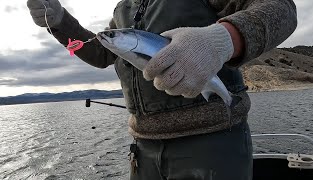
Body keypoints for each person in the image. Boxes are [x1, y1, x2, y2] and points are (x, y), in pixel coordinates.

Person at [27, 0, 297, 179]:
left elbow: (281, 9)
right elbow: (99, 51)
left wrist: (223, 38)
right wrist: (61, 22)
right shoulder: (125, 7)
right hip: (143, 150)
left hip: (212, 142)